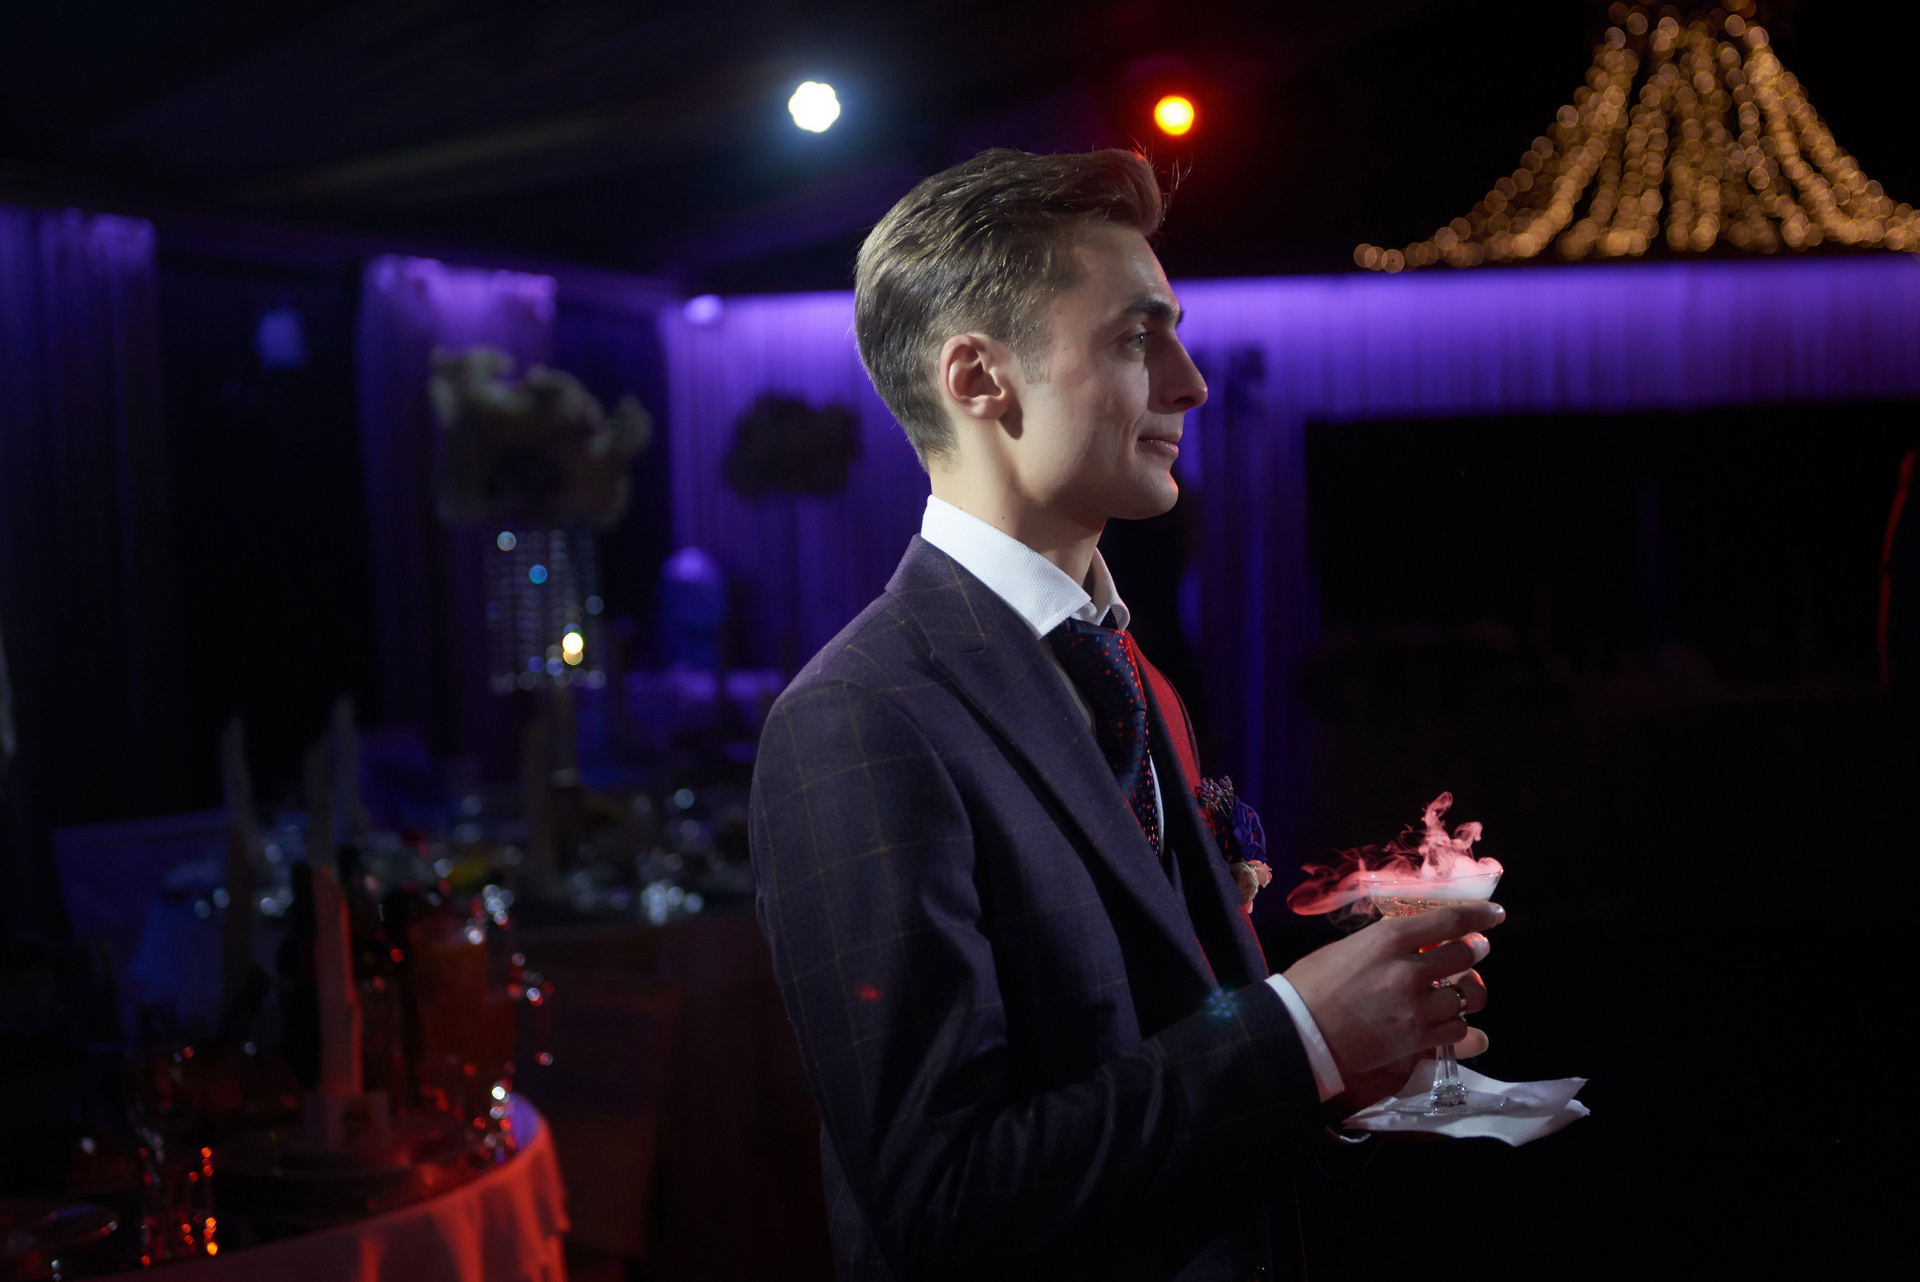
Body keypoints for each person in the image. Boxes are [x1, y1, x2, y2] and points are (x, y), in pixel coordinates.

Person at [747, 148, 1503, 1282]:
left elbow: (1168, 1053)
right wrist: (1298, 1038)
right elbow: (941, 1199)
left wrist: (1340, 1076)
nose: (1190, 384)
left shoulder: (1129, 671)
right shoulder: (861, 717)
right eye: (1137, 339)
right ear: (979, 378)